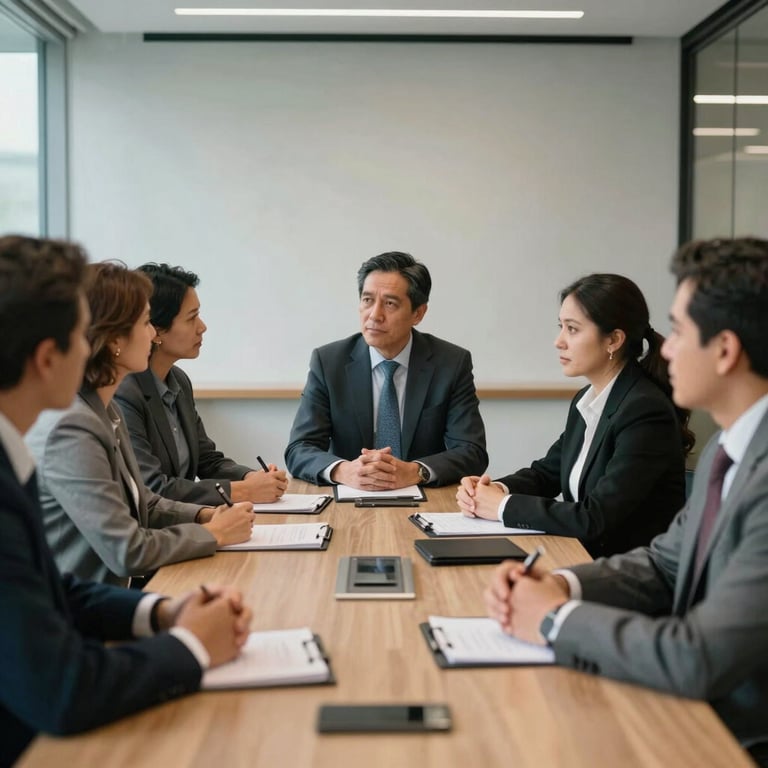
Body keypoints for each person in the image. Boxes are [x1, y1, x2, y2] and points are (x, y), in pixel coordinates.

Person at [484, 238, 768, 765]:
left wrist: (554, 618)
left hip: (736, 735)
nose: (663, 347)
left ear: (725, 350)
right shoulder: (728, 449)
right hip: (689, 696)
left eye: (680, 331)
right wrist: (560, 583)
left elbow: (698, 657)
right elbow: (665, 562)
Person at [0, 235, 252, 766]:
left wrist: (162, 612)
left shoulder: (45, 438)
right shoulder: (64, 428)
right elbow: (62, 689)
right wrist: (192, 645)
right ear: (50, 357)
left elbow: (53, 589)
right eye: (79, 332)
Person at [26, 261, 254, 587]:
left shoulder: (104, 410)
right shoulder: (71, 428)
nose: (152, 333)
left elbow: (142, 500)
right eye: (146, 322)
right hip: (79, 615)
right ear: (113, 339)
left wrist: (204, 515)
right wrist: (212, 533)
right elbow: (127, 550)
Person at [457, 273, 692, 558]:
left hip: (626, 576)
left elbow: (595, 517)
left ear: (614, 340)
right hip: (580, 556)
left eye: (572, 329)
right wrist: (492, 488)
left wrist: (502, 506)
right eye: (561, 327)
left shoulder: (644, 411)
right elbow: (547, 473)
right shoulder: (588, 398)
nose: (559, 341)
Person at [285, 251, 488, 490]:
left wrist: (416, 471)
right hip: (348, 499)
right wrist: (344, 470)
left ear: (418, 313)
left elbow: (472, 450)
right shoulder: (329, 362)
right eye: (367, 300)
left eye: (390, 303)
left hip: (425, 500)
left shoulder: (451, 363)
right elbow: (299, 448)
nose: (375, 315)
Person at [115, 263, 287, 505]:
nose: (202, 327)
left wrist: (252, 477)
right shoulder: (124, 393)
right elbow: (152, 487)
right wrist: (244, 490)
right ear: (157, 331)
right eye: (192, 317)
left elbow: (208, 460)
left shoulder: (179, 381)